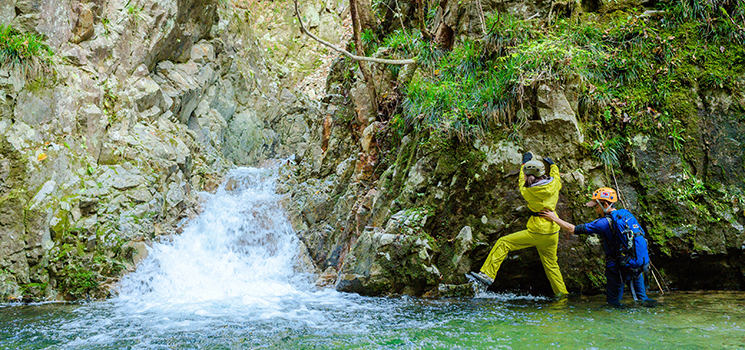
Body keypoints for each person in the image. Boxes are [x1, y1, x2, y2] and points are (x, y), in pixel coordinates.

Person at [469, 152, 569, 298]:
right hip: (553, 230)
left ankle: (487, 274)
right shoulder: (554, 184)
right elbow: (557, 176)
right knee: (552, 266)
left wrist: (524, 164)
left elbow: (521, 181)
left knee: (503, 243)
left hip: (537, 230)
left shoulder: (527, 190)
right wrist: (553, 165)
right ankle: (562, 296)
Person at [539, 187, 655, 307]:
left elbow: (572, 229)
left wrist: (554, 218)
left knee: (613, 304)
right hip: (635, 263)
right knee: (642, 299)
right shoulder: (626, 215)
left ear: (605, 204)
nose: (595, 209)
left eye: (596, 206)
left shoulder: (603, 223)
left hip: (617, 268)